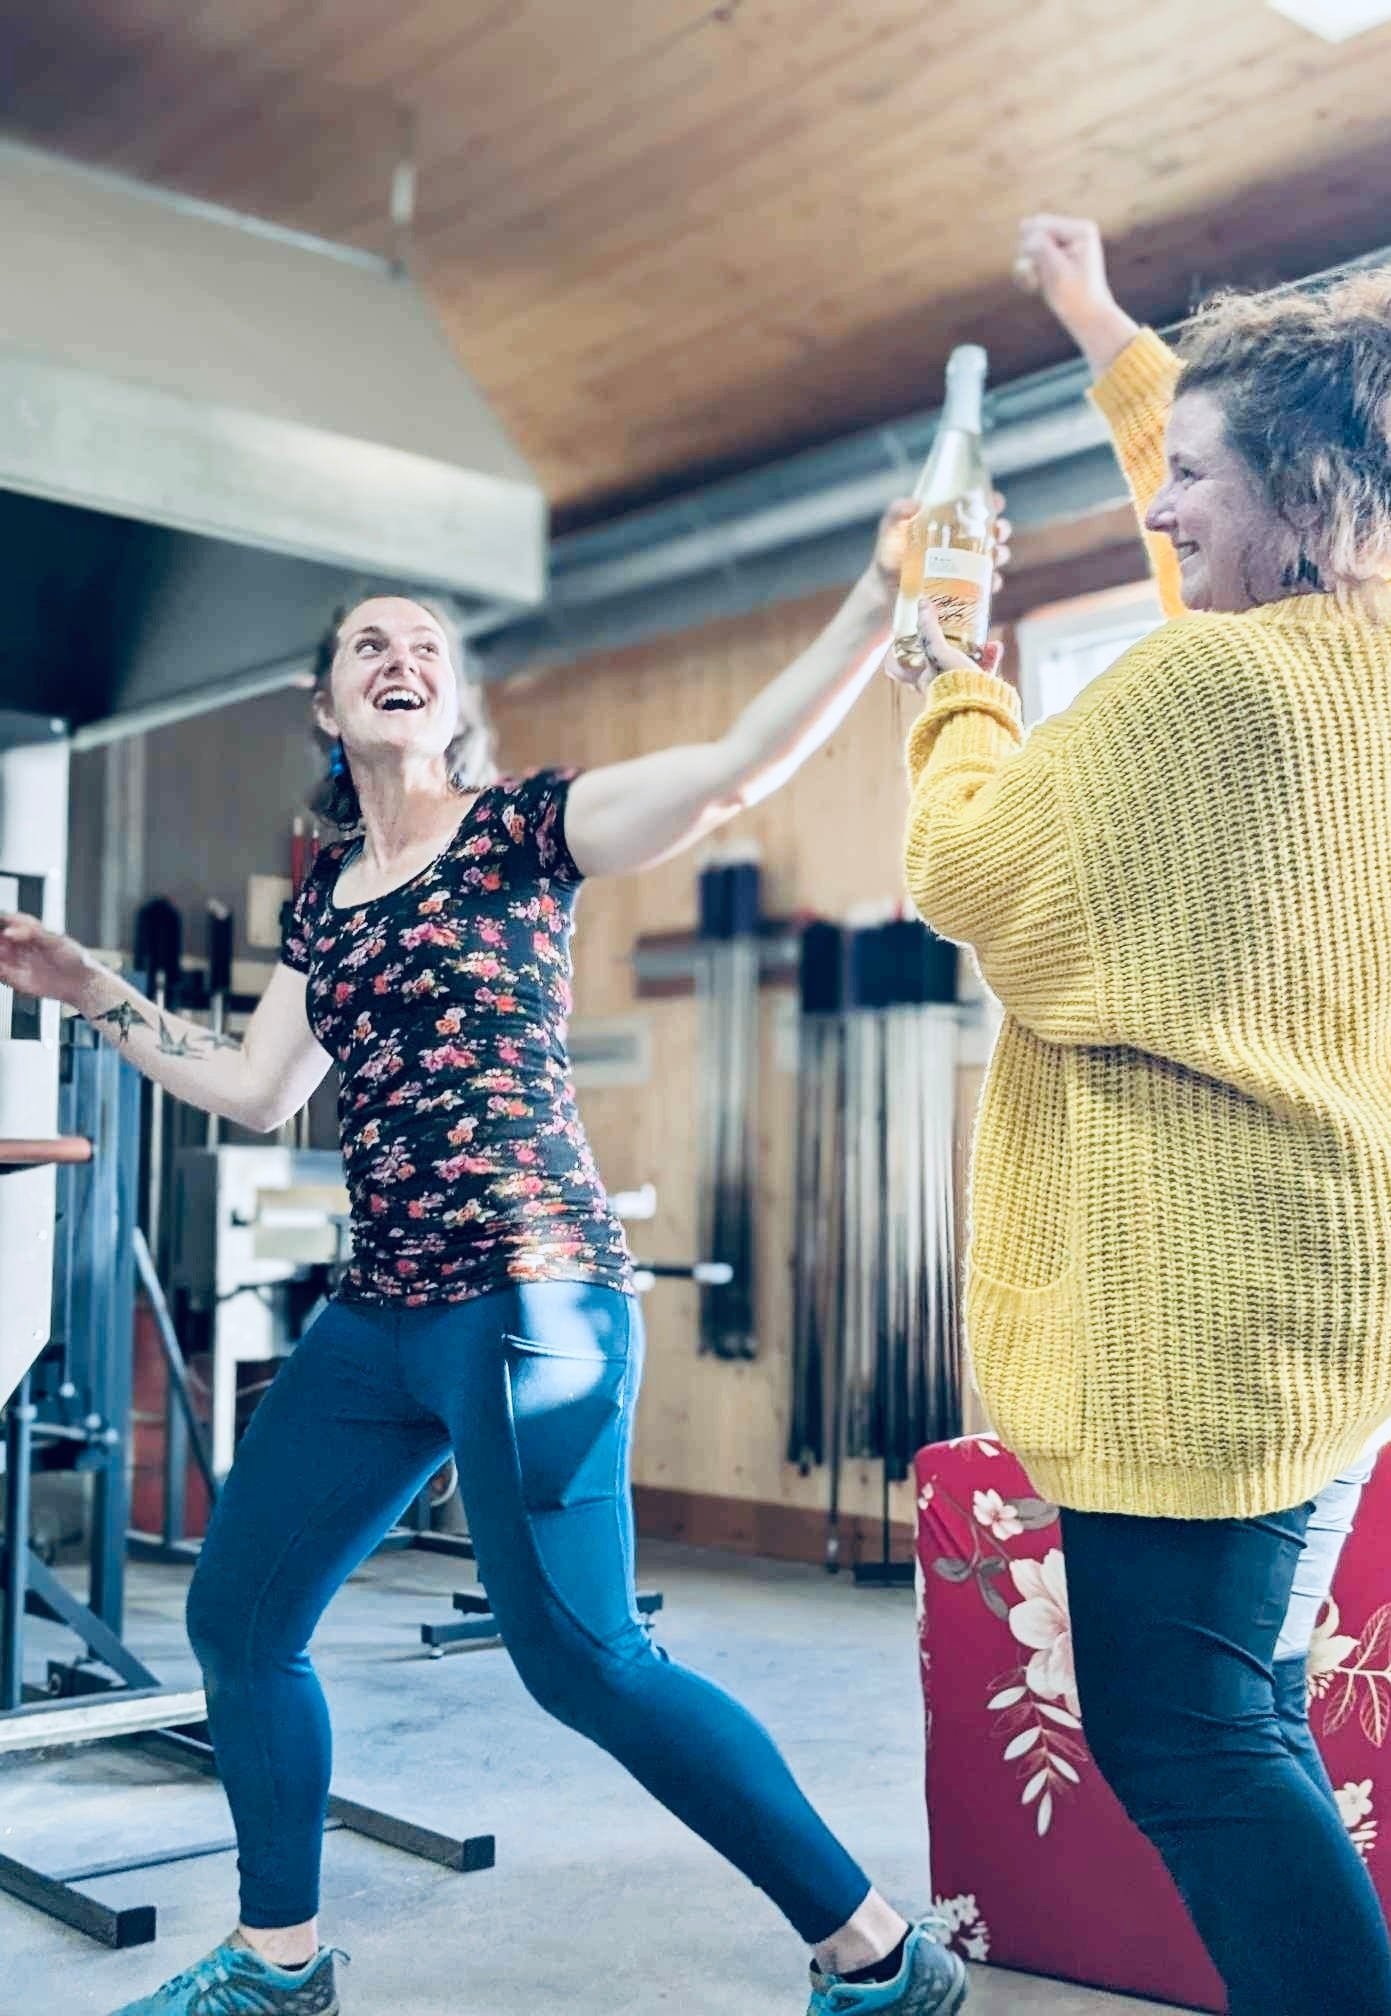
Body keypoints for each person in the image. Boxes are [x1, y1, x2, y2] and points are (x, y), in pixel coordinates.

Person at [0, 492, 1004, 2016]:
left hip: (532, 1290)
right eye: (368, 648)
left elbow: (732, 778)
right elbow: (255, 1087)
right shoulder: (327, 906)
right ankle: (280, 1966)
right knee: (239, 1618)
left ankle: (873, 1951)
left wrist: (875, 602)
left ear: (452, 702)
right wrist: (92, 991)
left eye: (424, 647)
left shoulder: (523, 831)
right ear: (327, 704)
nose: (399, 660)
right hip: (380, 1311)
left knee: (583, 1659)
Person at [893, 211, 1391, 2016]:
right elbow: (1223, 514)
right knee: (1236, 1711)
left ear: (1305, 488)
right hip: (1369, 1260)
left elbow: (972, 865)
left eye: (1194, 481)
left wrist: (953, 698)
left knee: (1192, 1741)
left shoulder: (1200, 688)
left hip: (1236, 1299)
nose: (1161, 510)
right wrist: (1096, 320)